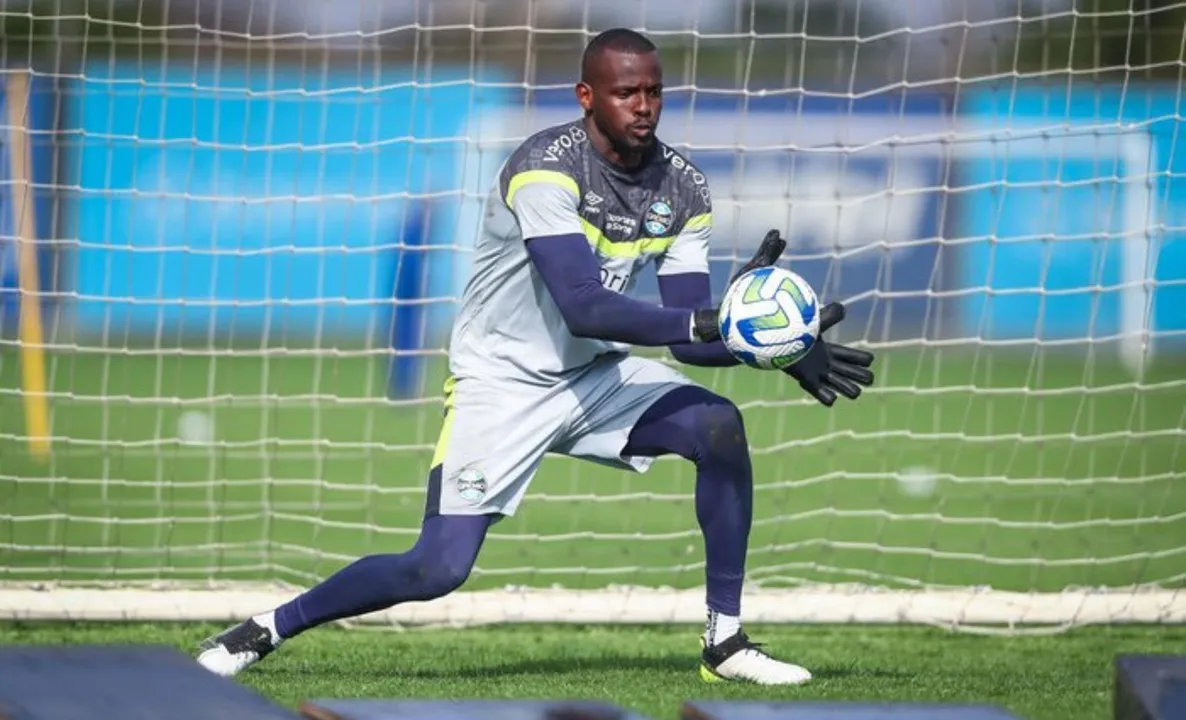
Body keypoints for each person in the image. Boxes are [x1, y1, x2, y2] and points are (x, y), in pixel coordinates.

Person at [197, 27, 874, 686]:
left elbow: (681, 342)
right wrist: (717, 321)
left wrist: (776, 348)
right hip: (502, 381)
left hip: (597, 374)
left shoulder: (685, 189)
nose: (644, 106)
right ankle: (264, 628)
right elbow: (585, 304)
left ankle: (724, 642)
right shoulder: (544, 169)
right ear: (586, 96)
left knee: (718, 426)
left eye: (655, 92)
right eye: (626, 93)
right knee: (436, 570)